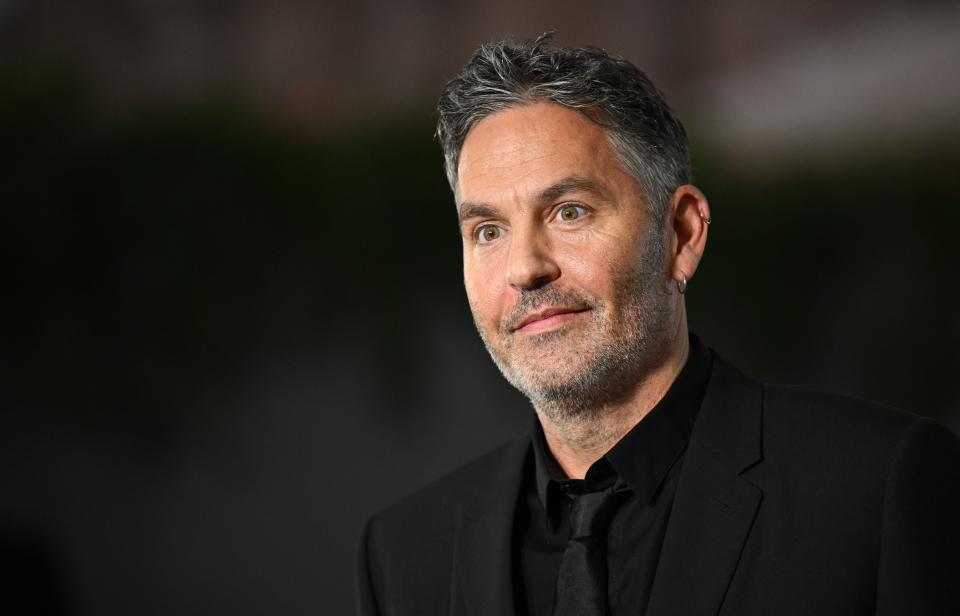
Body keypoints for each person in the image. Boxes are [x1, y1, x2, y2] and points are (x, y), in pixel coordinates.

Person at [355, 34, 960, 616]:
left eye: (570, 212)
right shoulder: (405, 555)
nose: (525, 269)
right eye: (487, 230)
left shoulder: (876, 490)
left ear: (682, 235)